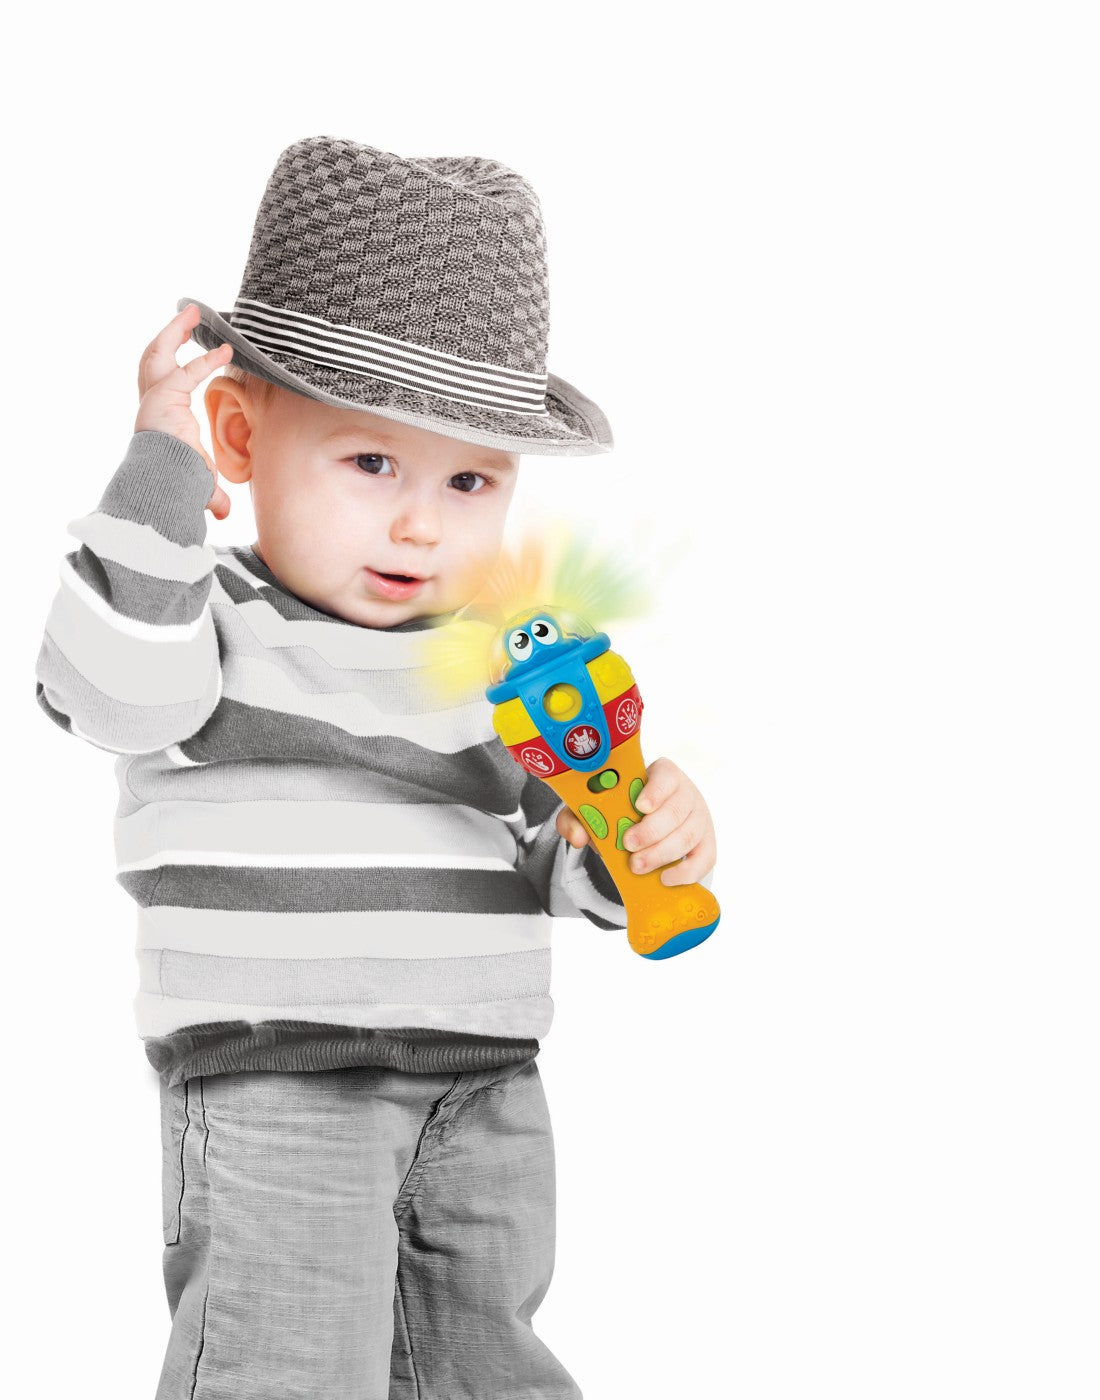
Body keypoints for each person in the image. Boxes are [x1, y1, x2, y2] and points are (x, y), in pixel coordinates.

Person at [33, 135, 717, 1399]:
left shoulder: (508, 656)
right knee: (282, 1363)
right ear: (239, 434)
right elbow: (111, 691)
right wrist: (160, 475)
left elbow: (556, 851)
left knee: (488, 1366)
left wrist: (636, 842)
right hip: (277, 1076)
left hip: (486, 1085)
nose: (419, 520)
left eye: (470, 478)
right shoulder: (202, 616)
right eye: (369, 461)